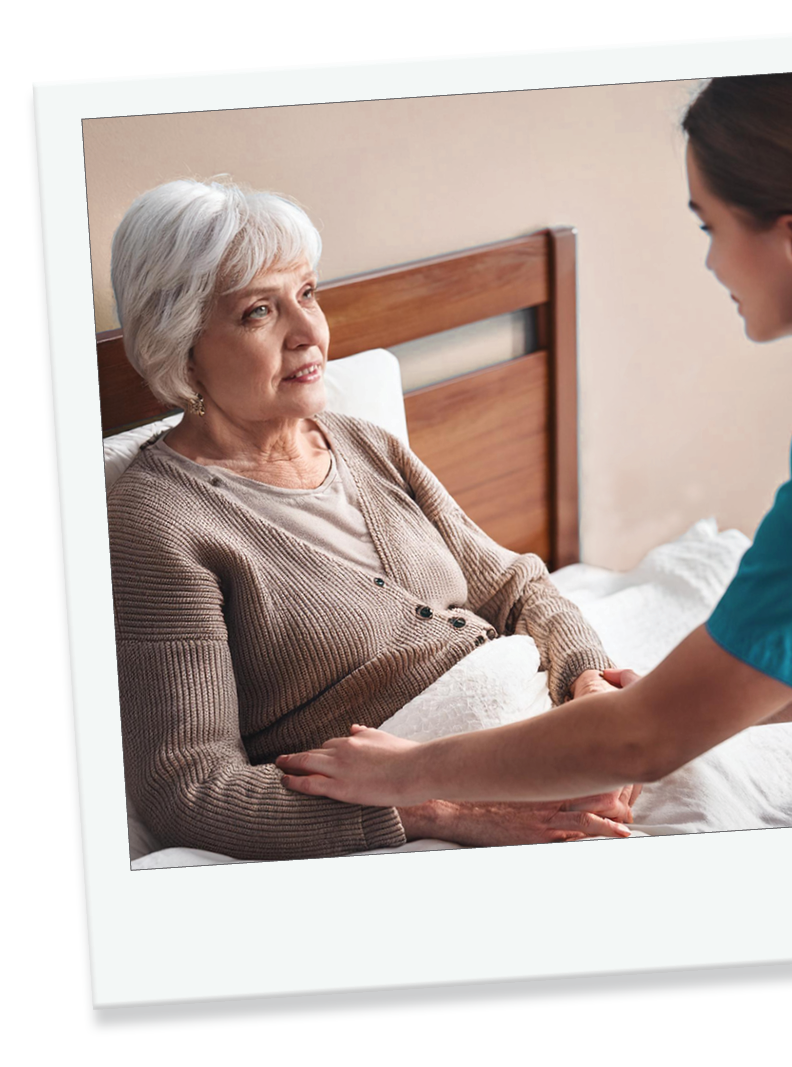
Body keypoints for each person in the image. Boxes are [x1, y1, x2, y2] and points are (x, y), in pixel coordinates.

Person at [276, 67, 792, 823]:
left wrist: (408, 781)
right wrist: (698, 698)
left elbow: (637, 736)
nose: (710, 261)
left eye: (708, 227)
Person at [107, 178, 639, 862]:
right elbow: (189, 787)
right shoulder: (157, 523)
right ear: (181, 343)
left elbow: (516, 587)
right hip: (443, 812)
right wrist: (449, 814)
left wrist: (586, 681)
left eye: (306, 294)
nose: (308, 333)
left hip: (550, 750)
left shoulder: (363, 442)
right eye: (259, 312)